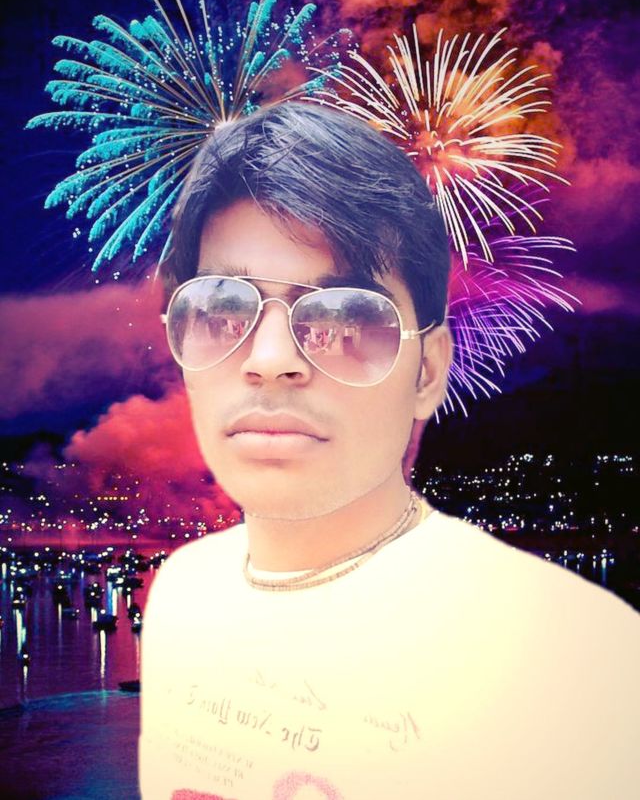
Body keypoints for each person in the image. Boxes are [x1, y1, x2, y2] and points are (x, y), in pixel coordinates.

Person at [139, 101, 639, 800]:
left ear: (428, 372)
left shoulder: (580, 667)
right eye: (223, 309)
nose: (270, 359)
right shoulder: (182, 597)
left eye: (348, 318)